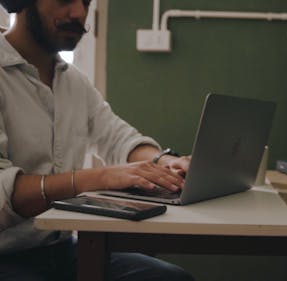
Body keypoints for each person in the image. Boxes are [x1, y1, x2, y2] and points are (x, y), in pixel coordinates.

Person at [0, 0, 195, 280]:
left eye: (86, 2)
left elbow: (118, 138)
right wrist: (101, 177)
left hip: (66, 252)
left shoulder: (75, 83)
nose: (79, 12)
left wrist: (166, 163)